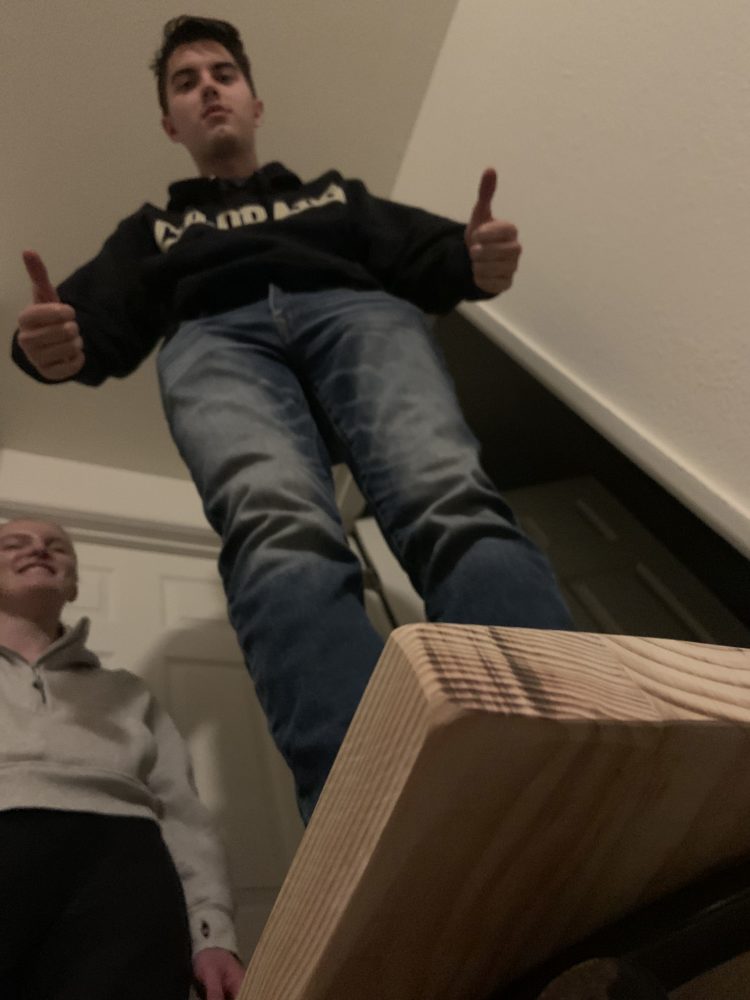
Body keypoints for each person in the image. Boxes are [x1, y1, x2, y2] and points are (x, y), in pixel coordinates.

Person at [12, 16, 573, 822]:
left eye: (223, 73)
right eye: (186, 82)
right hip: (211, 333)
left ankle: (559, 739)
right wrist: (48, 348)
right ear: (171, 124)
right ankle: (366, 807)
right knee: (274, 525)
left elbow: (436, 256)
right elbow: (82, 330)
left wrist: (472, 259)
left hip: (355, 309)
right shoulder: (152, 231)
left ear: (255, 101)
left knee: (444, 491)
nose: (208, 88)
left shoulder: (333, 196)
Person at [0, 517, 245, 1000]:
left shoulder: (128, 692)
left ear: (73, 585)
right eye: (14, 543)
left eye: (57, 547)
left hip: (126, 875)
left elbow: (183, 812)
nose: (39, 549)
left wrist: (212, 933)